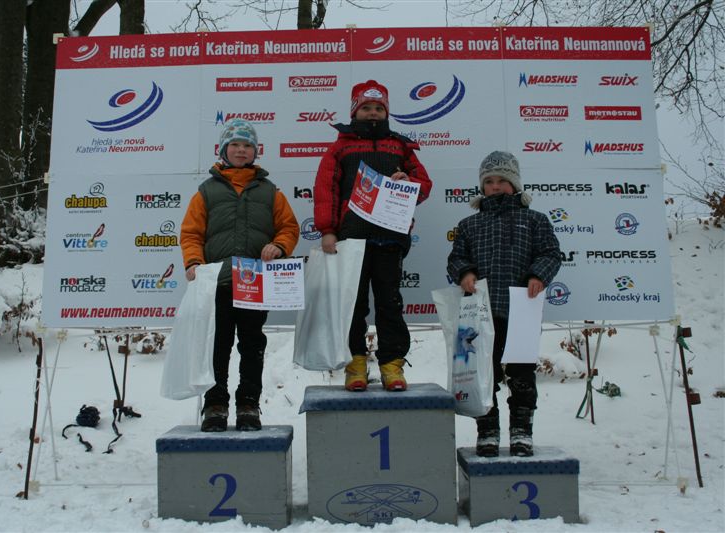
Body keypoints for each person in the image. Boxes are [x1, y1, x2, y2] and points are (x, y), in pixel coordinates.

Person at [180, 118, 300, 432]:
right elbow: (191, 233)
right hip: (216, 283)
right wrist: (193, 262)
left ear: (255, 152)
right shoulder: (206, 191)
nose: (241, 150)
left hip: (255, 284)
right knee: (216, 346)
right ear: (223, 150)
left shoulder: (270, 191)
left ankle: (248, 405)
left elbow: (289, 227)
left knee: (252, 345)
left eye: (247, 145)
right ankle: (215, 406)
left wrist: (278, 246)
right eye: (234, 144)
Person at [314, 80, 432, 392]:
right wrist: (328, 230)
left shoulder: (400, 146)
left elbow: (424, 185)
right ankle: (355, 364)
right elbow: (326, 190)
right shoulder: (340, 147)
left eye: (379, 108)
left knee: (389, 304)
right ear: (354, 111)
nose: (373, 113)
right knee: (353, 306)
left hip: (390, 238)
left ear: (387, 112)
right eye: (366, 107)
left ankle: (392, 364)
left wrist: (408, 183)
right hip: (352, 239)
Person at [446, 150, 561, 457]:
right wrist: (465, 273)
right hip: (481, 313)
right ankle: (488, 430)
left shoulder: (534, 220)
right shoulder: (469, 224)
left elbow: (551, 253)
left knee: (522, 375)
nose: (495, 186)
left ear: (515, 184)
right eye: (489, 181)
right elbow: (456, 258)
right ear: (482, 186)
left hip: (521, 310)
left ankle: (522, 431)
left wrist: (538, 275)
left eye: (502, 180)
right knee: (484, 375)